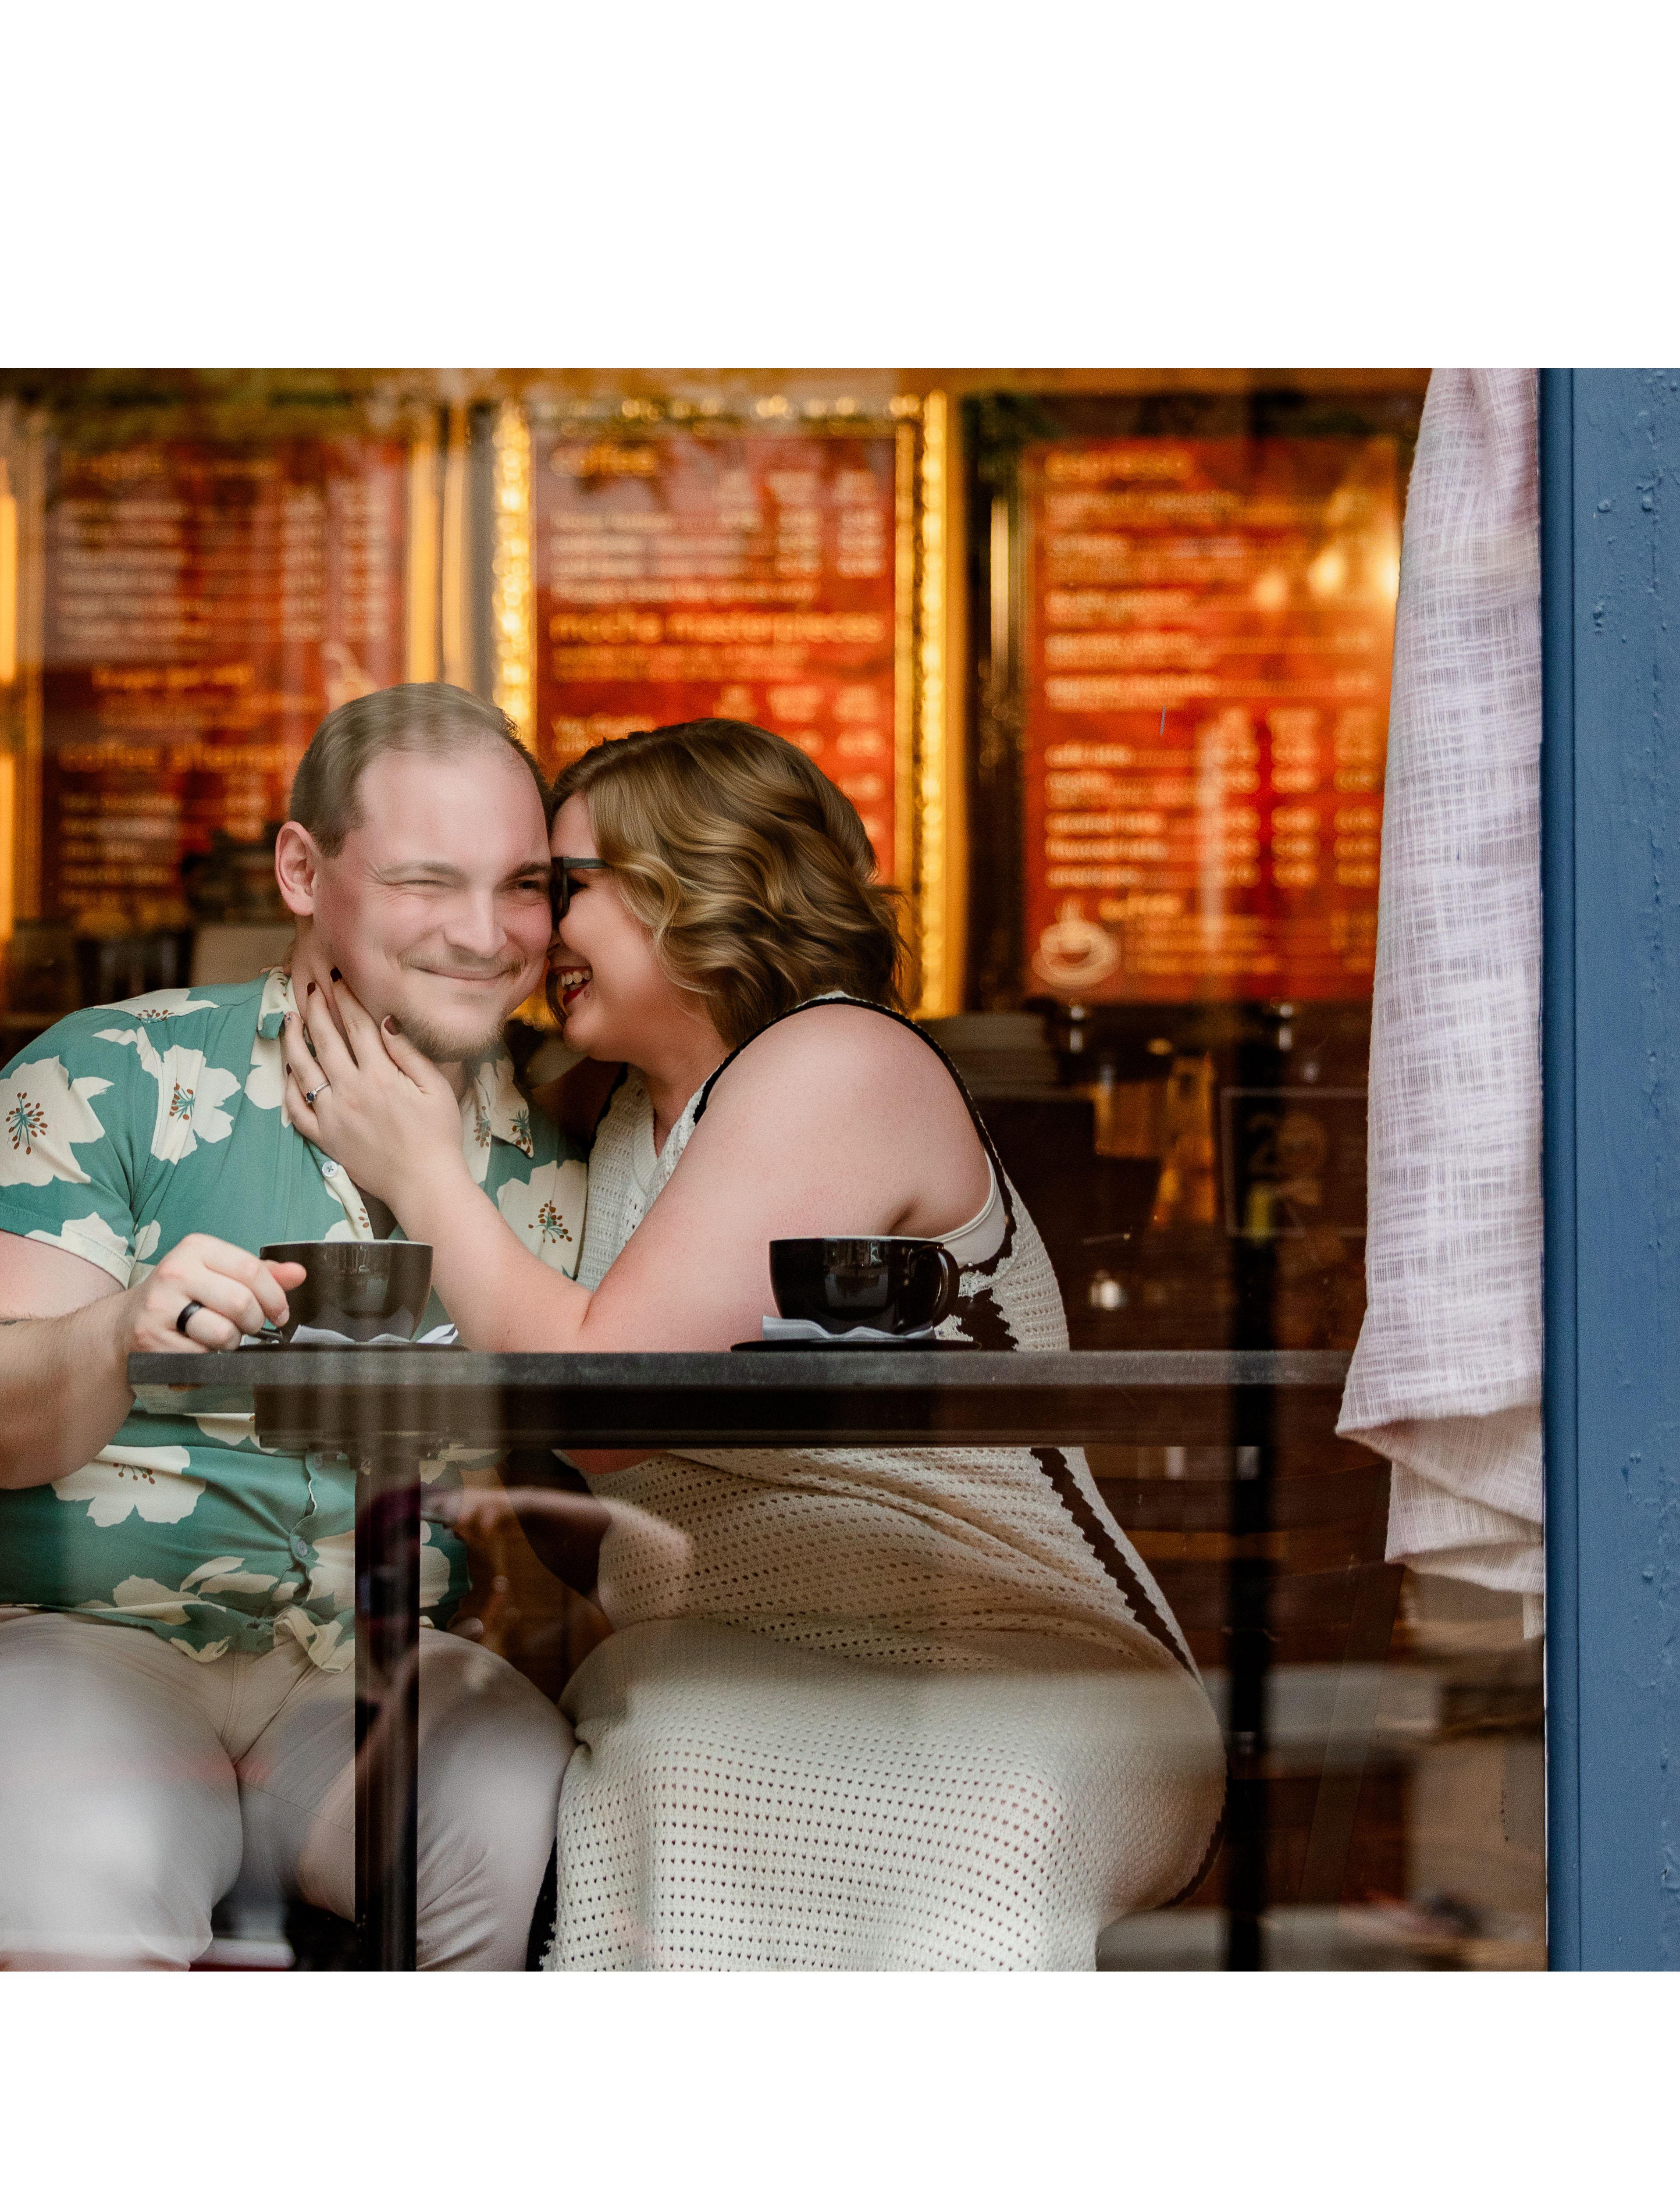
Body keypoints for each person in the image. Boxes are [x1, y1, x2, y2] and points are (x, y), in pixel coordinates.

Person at [284, 718, 1223, 1969]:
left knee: (941, 1810)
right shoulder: (619, 1117)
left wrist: (420, 1170)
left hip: (1003, 1662)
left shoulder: (841, 1059)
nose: (535, 932)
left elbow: (608, 1406)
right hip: (727, 1659)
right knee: (673, 1749)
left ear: (701, 882)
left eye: (564, 886)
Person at [0, 683, 585, 1968]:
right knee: (89, 1868)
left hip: (377, 1662)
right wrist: (115, 1332)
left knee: (514, 1810)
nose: (487, 935)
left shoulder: (558, 1163)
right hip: (55, 1639)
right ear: (303, 872)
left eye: (524, 887)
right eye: (427, 881)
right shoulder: (108, 1073)